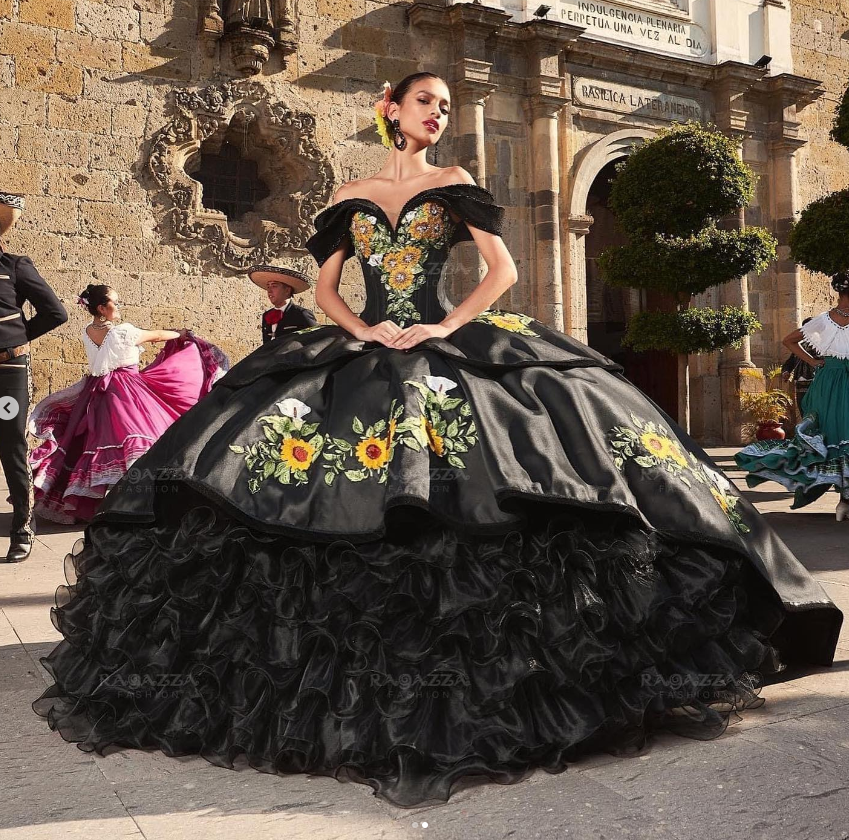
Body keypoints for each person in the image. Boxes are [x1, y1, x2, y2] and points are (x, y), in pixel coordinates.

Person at [32, 73, 842, 808]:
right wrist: (364, 328)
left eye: (447, 107)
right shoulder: (349, 193)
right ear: (389, 108)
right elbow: (324, 287)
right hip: (370, 342)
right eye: (426, 102)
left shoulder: (455, 185)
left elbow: (501, 274)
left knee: (546, 457)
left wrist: (442, 323)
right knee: (277, 474)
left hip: (443, 333)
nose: (438, 115)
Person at [27, 284, 229, 525]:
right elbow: (156, 335)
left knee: (93, 446)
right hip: (126, 392)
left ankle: (106, 504)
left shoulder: (88, 331)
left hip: (95, 393)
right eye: (115, 302)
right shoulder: (122, 331)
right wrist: (182, 334)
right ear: (102, 307)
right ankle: (141, 505)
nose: (119, 306)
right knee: (147, 440)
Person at [736, 273, 849, 521]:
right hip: (831, 383)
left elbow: (789, 340)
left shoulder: (822, 320)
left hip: (828, 380)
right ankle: (844, 500)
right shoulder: (823, 320)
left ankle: (844, 501)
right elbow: (789, 341)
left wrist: (814, 361)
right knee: (838, 436)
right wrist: (811, 360)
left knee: (839, 437)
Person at [0, 192, 68, 563]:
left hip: (8, 371)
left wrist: (16, 337)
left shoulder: (14, 266)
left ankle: (22, 527)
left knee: (11, 442)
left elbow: (56, 312)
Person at [248, 263, 318, 344]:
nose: (269, 291)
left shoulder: (301, 314)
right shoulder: (266, 315)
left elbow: (316, 343)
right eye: (268, 286)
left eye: (274, 286)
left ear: (287, 290)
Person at [780, 316, 820, 412]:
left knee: (816, 411)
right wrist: (786, 371)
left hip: (816, 382)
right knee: (803, 409)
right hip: (801, 384)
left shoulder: (822, 345)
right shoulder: (799, 346)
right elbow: (790, 362)